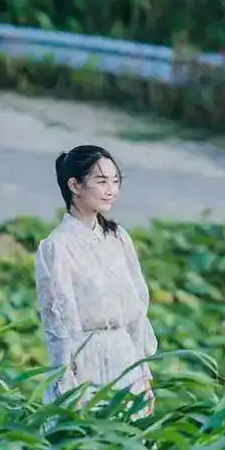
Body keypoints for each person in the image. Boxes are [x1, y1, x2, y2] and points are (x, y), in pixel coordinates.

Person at [35, 145, 158, 413]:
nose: (111, 190)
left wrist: (144, 375)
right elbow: (59, 326)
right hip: (87, 365)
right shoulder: (57, 246)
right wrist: (67, 386)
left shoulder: (118, 238)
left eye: (115, 181)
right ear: (74, 185)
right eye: (101, 181)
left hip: (126, 361)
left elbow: (137, 312)